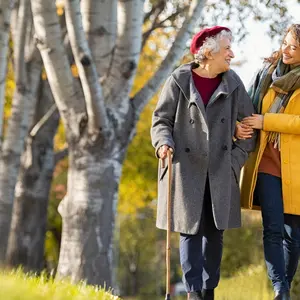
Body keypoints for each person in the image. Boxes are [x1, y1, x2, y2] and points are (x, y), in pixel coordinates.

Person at [150, 26, 256, 300]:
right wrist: (163, 143)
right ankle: (194, 293)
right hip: (186, 169)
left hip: (221, 168)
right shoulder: (178, 80)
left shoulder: (233, 83)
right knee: (190, 233)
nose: (232, 54)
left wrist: (234, 160)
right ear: (208, 53)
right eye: (227, 49)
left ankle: (209, 291)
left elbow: (249, 128)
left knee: (214, 234)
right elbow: (161, 120)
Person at [239, 24, 300, 300]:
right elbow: (249, 106)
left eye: (295, 48)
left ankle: (282, 289)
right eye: (286, 43)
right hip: (265, 160)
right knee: (273, 227)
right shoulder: (267, 73)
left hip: (295, 166)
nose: (287, 50)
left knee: (293, 235)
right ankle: (280, 289)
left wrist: (268, 121)